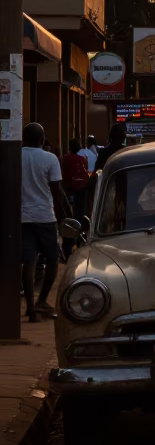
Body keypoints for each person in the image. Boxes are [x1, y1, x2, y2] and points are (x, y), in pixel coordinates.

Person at [21, 123, 71, 322]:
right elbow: (57, 190)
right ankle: (42, 300)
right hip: (44, 217)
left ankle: (31, 307)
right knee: (52, 259)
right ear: (43, 140)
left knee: (29, 261)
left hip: (23, 217)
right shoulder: (50, 159)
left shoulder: (15, 156)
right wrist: (66, 214)